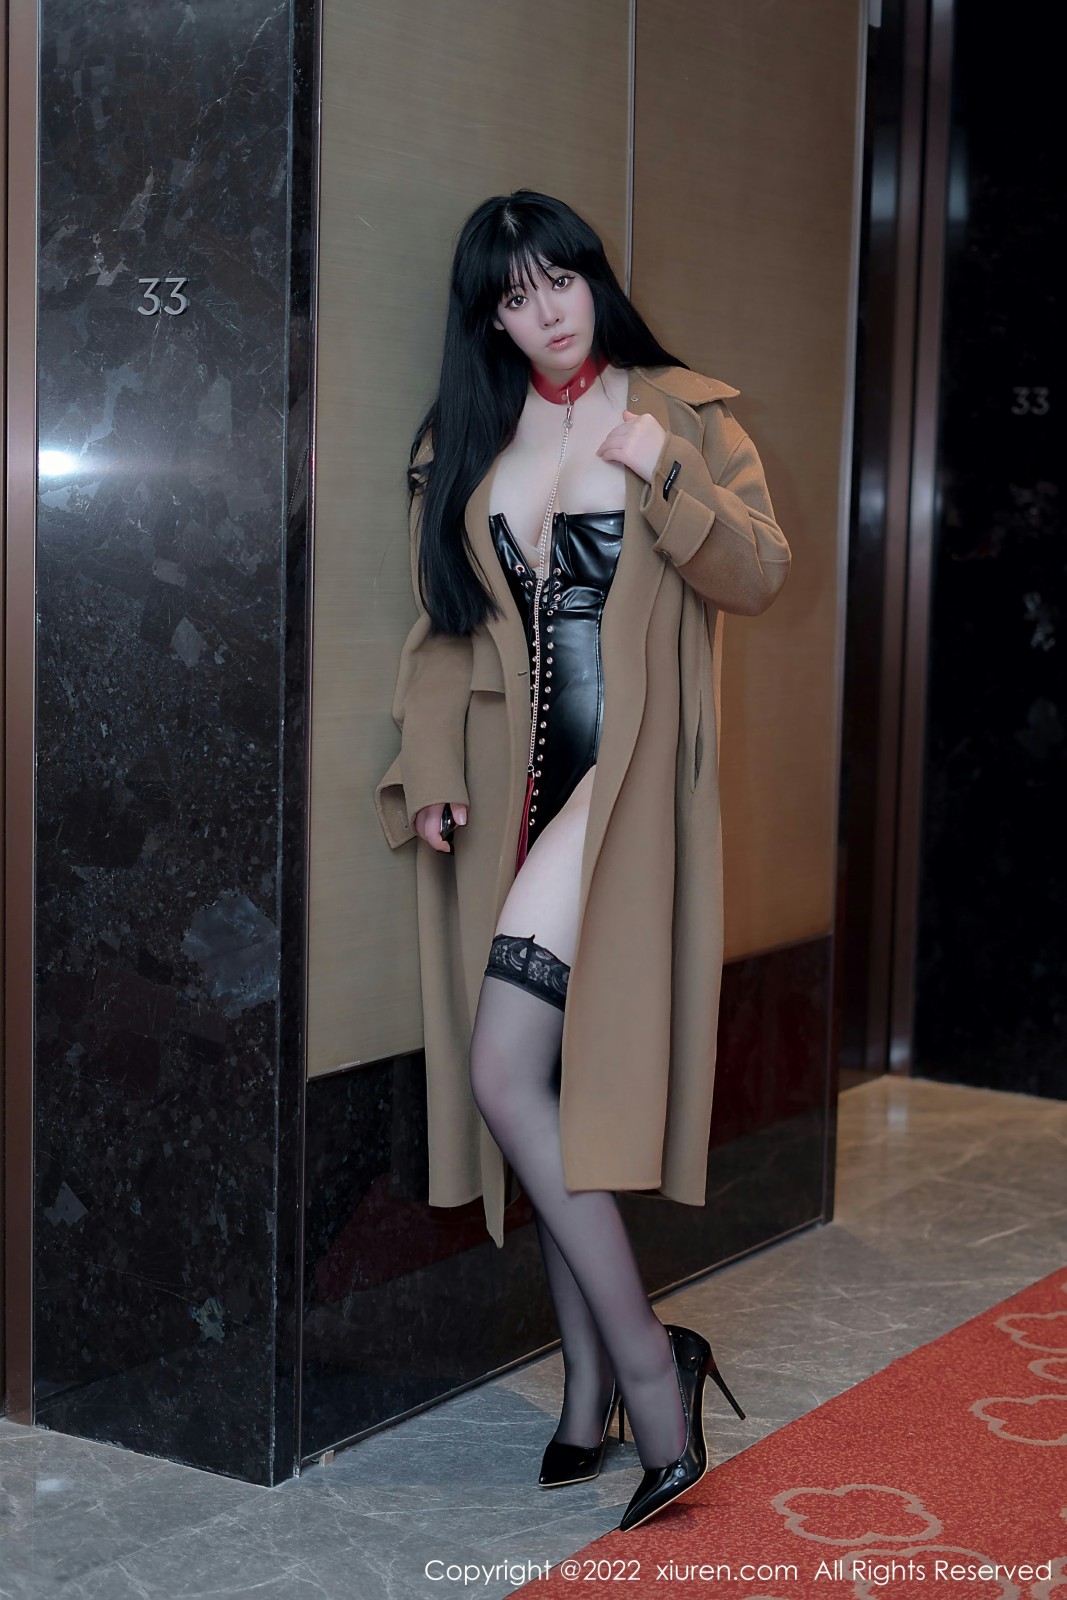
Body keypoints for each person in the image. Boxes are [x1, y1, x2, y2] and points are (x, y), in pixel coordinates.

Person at [374, 190, 791, 1531]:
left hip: (622, 787)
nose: (542, 312)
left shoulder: (684, 414)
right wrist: (431, 768)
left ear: (594, 279)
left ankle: (654, 1372)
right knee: (543, 1093)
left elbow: (760, 574)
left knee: (508, 1073)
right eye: (512, 297)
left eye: (557, 281)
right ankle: (587, 1388)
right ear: (489, 319)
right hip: (519, 788)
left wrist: (661, 468)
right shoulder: (469, 438)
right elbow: (443, 628)